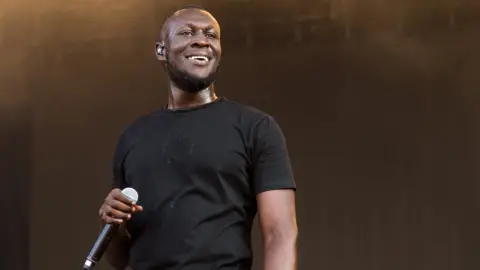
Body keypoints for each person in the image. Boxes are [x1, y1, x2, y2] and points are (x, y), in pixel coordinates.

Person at [98, 6, 297, 270]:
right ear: (161, 51)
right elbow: (122, 259)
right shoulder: (133, 137)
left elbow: (280, 235)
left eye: (211, 35)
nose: (202, 40)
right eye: (186, 32)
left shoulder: (256, 128)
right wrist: (111, 225)